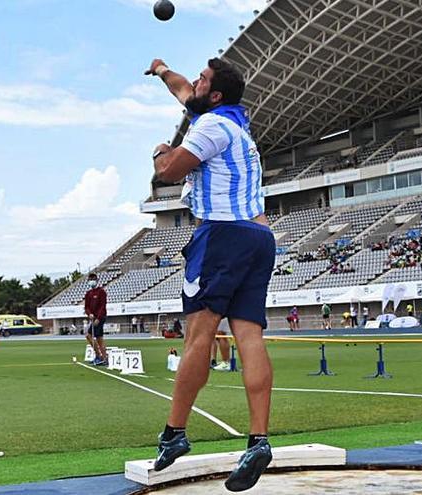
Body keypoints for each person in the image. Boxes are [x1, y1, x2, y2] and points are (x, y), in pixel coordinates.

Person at [146, 56, 275, 489]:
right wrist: (162, 70)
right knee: (250, 337)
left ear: (215, 95)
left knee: (198, 336)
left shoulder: (211, 127)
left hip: (221, 235)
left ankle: (175, 433)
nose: (194, 83)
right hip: (258, 236)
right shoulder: (235, 121)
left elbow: (167, 173)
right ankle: (258, 441)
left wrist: (161, 150)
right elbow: (183, 89)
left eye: (202, 80)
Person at [83, 273, 108, 366]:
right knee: (88, 335)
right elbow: (86, 307)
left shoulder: (101, 292)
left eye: (93, 279)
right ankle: (99, 356)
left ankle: (104, 358)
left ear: (97, 280)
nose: (91, 281)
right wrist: (89, 314)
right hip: (93, 318)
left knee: (99, 338)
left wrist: (98, 318)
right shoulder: (88, 293)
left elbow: (103, 306)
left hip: (100, 318)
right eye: (90, 279)